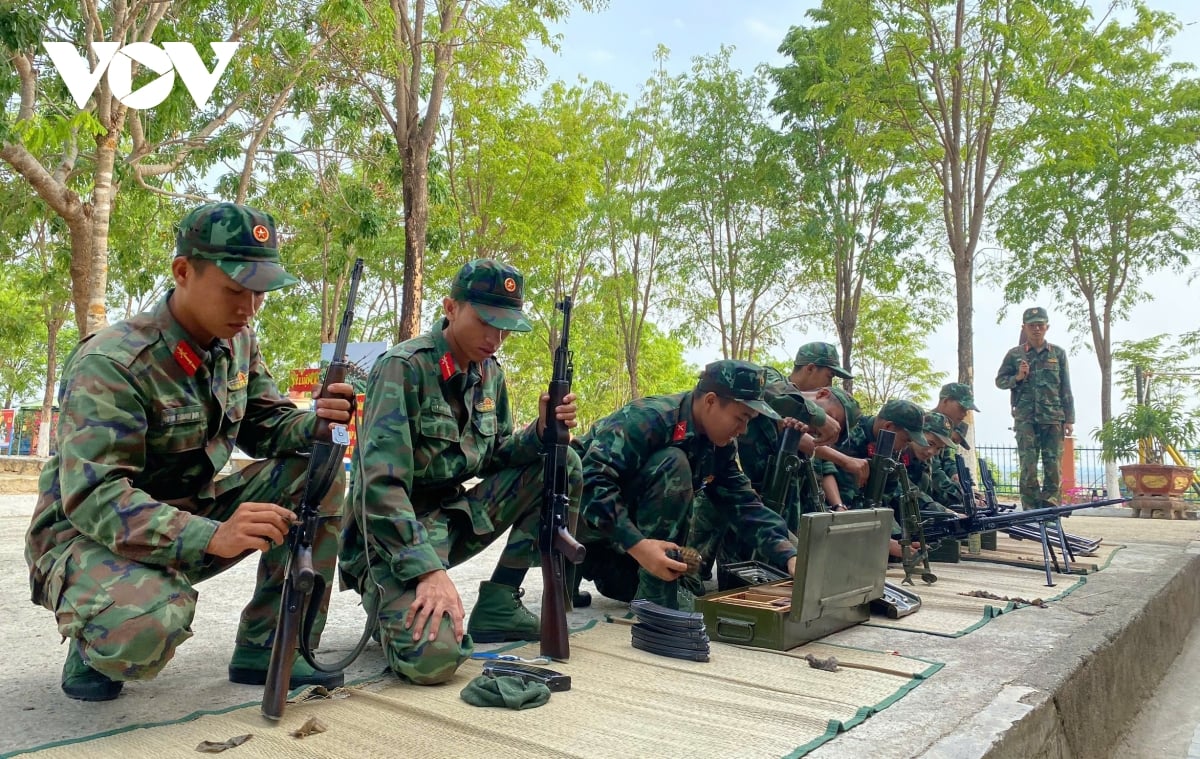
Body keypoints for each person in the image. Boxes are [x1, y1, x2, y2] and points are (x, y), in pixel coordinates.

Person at [24, 202, 356, 702]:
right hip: (90, 537)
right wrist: (212, 535)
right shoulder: (113, 362)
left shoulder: (238, 341)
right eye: (234, 290)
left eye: (258, 293)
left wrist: (319, 422)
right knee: (144, 627)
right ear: (183, 271)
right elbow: (95, 497)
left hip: (187, 516)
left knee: (320, 467)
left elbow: (267, 425)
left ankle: (268, 646)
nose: (248, 307)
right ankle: (94, 634)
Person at [338, 259, 580, 686]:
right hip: (392, 537)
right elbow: (379, 488)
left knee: (561, 464)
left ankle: (501, 599)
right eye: (486, 322)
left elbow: (496, 456)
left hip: (450, 521)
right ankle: (390, 603)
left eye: (505, 327)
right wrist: (428, 572)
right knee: (433, 660)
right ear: (450, 308)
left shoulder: (490, 374)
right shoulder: (404, 368)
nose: (496, 338)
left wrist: (541, 431)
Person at [573, 360, 798, 609]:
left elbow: (743, 503)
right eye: (741, 418)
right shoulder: (651, 418)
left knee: (692, 589)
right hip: (586, 530)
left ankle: (652, 586)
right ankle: (655, 594)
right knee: (673, 462)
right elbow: (590, 482)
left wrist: (789, 555)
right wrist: (638, 546)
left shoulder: (717, 446)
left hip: (626, 549)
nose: (743, 430)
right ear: (711, 401)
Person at [995, 307, 1075, 510]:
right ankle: (1030, 510)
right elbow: (1000, 381)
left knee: (1053, 467)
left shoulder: (1058, 354)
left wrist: (1069, 419)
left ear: (1047, 326)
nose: (1037, 329)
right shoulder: (1015, 355)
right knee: (1028, 466)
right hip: (1025, 419)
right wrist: (1018, 378)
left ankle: (1050, 509)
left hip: (1053, 418)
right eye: (1032, 326)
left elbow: (1065, 386)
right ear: (1024, 328)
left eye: (1040, 325)